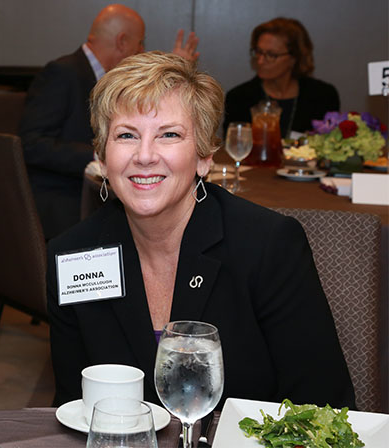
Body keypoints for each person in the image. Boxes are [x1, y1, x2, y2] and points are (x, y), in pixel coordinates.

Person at [46, 51, 355, 410]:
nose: (144, 155)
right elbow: (73, 407)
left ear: (205, 157)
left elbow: (321, 404)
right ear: (101, 157)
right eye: (126, 135)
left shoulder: (267, 246)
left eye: (169, 134)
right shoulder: (73, 255)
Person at [19, 3, 199, 240]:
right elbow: (30, 144)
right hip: (66, 197)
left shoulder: (110, 80)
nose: (141, 50)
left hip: (103, 191)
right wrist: (100, 155)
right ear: (122, 41)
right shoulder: (63, 72)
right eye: (141, 43)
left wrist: (174, 73)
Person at [223, 17, 340, 138]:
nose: (260, 61)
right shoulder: (239, 98)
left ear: (294, 58)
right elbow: (234, 144)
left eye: (271, 55)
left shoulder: (323, 95)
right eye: (258, 52)